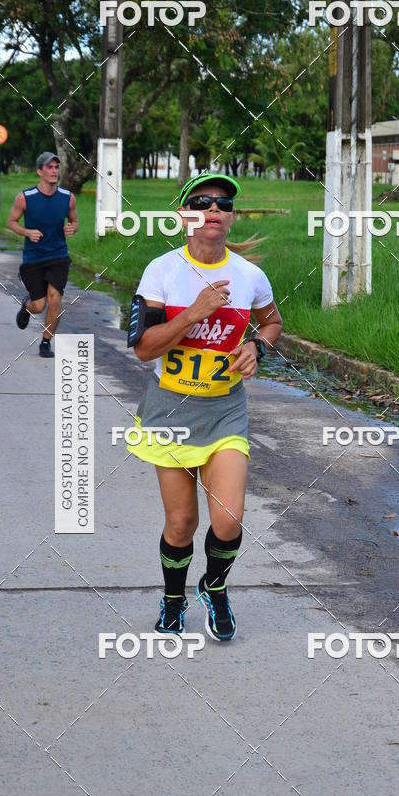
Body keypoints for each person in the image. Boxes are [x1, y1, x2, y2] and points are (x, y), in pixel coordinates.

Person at [127, 173, 282, 640]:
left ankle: (214, 587)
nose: (213, 209)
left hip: (224, 410)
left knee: (229, 519)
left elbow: (272, 322)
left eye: (222, 203)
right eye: (201, 202)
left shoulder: (249, 276)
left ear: (231, 217)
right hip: (170, 411)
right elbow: (142, 349)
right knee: (182, 522)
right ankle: (173, 599)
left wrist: (256, 346)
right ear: (185, 217)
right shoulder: (162, 271)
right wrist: (193, 314)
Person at [7, 152, 78, 357]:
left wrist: (72, 228)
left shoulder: (67, 198)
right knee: (39, 305)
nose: (54, 171)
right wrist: (27, 232)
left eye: (56, 167)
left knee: (55, 299)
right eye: (50, 167)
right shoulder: (25, 198)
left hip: (58, 256)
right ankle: (27, 307)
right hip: (33, 258)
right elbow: (11, 222)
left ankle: (46, 342)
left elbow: (75, 221)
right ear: (40, 171)